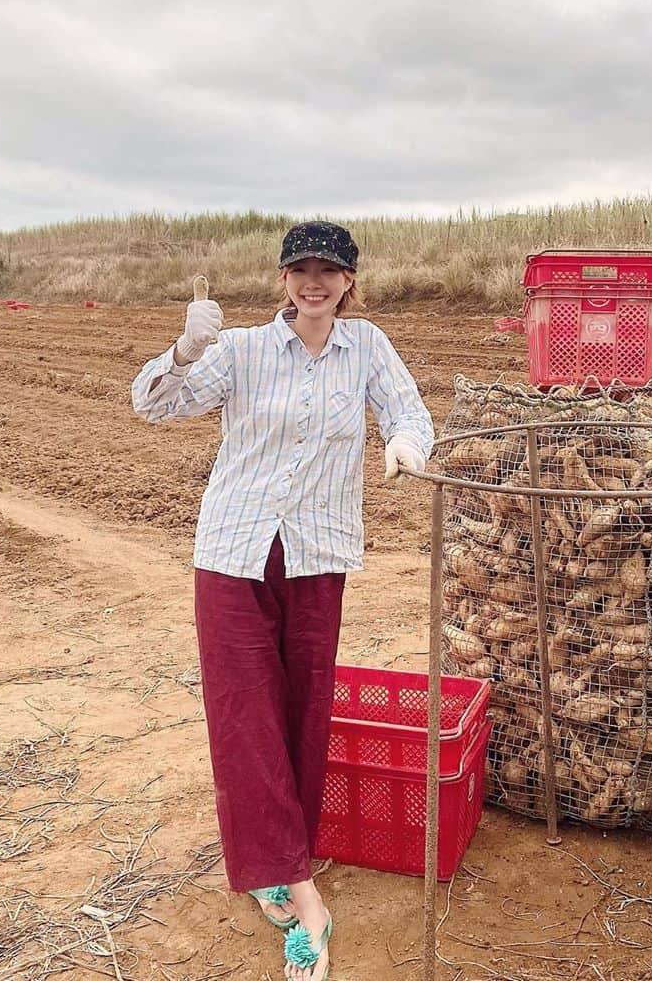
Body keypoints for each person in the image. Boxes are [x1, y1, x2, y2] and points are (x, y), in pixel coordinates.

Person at [131, 221, 434, 981]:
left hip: (316, 552)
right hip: (232, 552)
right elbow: (154, 407)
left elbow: (408, 411)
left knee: (305, 706)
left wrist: (404, 446)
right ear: (282, 279)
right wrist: (184, 351)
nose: (313, 282)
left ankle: (279, 859)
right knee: (244, 713)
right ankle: (305, 899)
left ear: (349, 281)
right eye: (300, 269)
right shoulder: (240, 350)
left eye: (328, 270)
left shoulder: (366, 346)